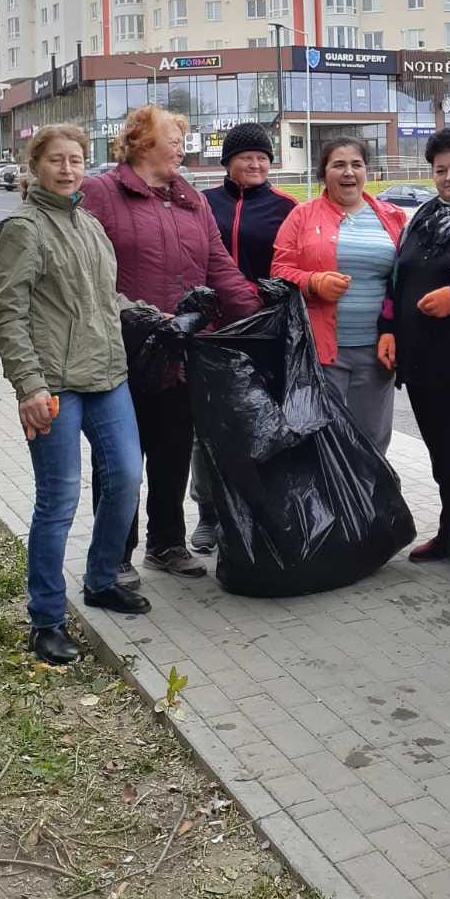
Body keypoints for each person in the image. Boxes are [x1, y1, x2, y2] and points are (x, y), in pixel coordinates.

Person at [0, 123, 149, 666]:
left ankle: (101, 579)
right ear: (35, 166)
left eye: (75, 159)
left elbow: (103, 298)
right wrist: (28, 385)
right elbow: (7, 315)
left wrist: (152, 315)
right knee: (58, 500)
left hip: (107, 376)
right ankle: (46, 619)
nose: (67, 169)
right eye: (56, 159)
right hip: (53, 384)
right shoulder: (23, 229)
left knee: (125, 478)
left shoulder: (89, 224)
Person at [80, 104, 260, 584]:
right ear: (141, 142)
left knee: (173, 452)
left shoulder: (191, 200)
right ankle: (115, 553)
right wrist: (133, 316)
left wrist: (259, 316)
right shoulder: (101, 193)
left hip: (181, 353)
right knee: (119, 460)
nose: (182, 147)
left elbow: (218, 268)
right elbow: (84, 272)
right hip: (122, 353)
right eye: (173, 139)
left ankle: (165, 544)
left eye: (183, 139)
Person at [376, 128, 450, 562]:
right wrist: (388, 327)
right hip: (421, 360)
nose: (449, 177)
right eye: (440, 170)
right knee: (441, 455)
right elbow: (397, 277)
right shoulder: (424, 215)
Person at [189, 122, 296, 552]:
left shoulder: (286, 207)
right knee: (206, 426)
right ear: (227, 162)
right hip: (211, 331)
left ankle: (259, 510)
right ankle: (208, 512)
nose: (255, 164)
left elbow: (292, 266)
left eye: (262, 157)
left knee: (263, 422)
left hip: (262, 331)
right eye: (245, 157)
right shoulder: (202, 203)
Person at [271, 136, 406, 455]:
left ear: (367, 171)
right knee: (325, 445)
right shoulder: (302, 216)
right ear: (323, 173)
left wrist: (399, 331)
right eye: (338, 165)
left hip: (377, 352)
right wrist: (313, 281)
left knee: (371, 443)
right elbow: (278, 269)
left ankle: (367, 491)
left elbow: (404, 280)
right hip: (321, 354)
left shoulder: (393, 217)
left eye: (356, 164)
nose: (348, 172)